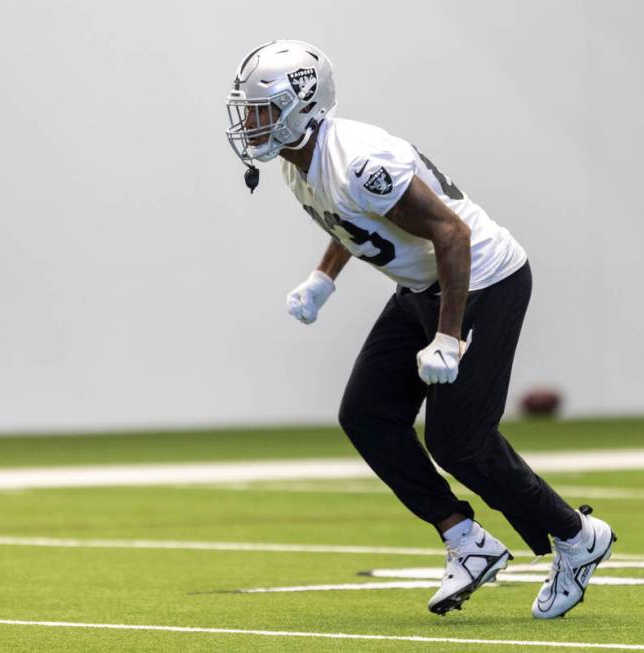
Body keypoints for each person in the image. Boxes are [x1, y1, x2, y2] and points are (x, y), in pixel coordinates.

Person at [224, 40, 616, 618]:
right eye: (250, 110)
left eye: (263, 109)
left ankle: (579, 538)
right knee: (367, 416)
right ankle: (465, 540)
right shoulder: (298, 161)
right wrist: (322, 278)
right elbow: (351, 220)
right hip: (423, 287)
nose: (252, 122)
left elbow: (451, 234)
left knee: (458, 441)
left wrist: (449, 336)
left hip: (483, 281)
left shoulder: (357, 159)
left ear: (303, 104)